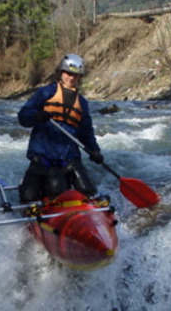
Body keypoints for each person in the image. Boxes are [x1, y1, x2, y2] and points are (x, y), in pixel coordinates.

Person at [17, 54, 105, 203]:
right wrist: (36, 115)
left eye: (76, 75)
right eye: (68, 73)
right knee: (34, 195)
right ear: (61, 73)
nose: (71, 78)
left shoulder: (82, 103)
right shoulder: (45, 93)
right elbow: (23, 117)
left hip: (69, 157)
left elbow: (86, 132)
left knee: (87, 190)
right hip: (43, 154)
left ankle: (86, 211)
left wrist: (94, 150)